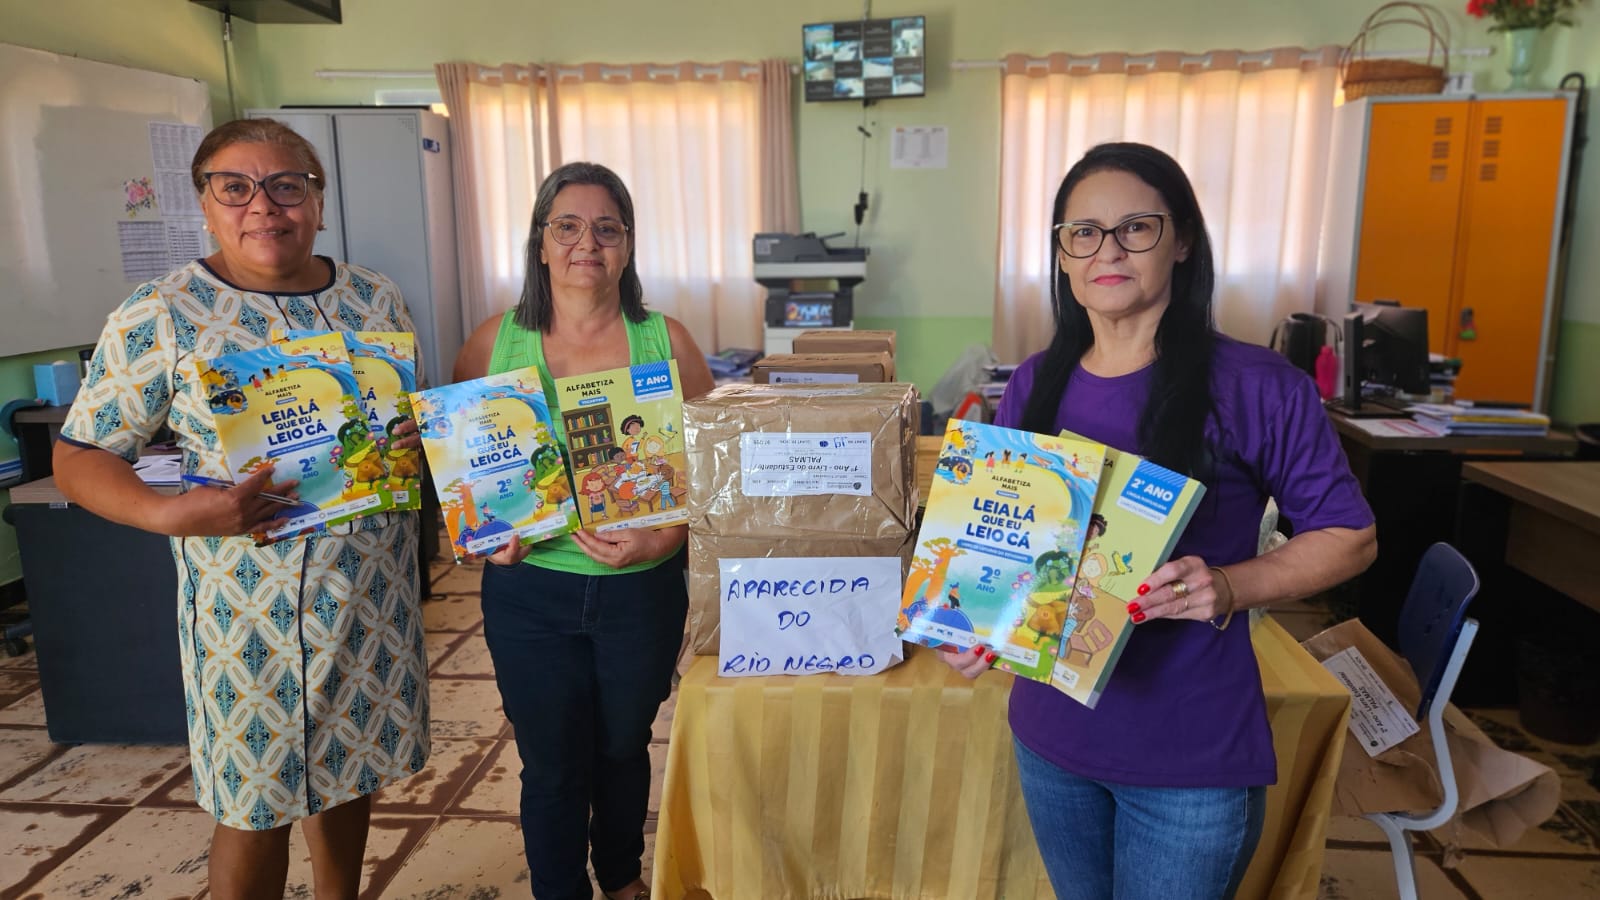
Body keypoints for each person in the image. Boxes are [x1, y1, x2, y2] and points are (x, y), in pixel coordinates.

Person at [941, 142, 1377, 900]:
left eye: (1135, 228)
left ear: (1181, 243)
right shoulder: (1035, 383)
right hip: (1051, 738)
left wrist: (1229, 585)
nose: (1107, 250)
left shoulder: (1256, 385)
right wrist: (976, 621)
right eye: (1083, 232)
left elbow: (1350, 537)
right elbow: (1006, 552)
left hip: (1188, 758)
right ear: (1062, 256)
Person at [51, 118, 430, 900]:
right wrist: (168, 514)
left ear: (318, 201)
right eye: (235, 187)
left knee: (352, 768)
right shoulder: (165, 311)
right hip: (250, 616)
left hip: (372, 596)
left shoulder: (373, 296)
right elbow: (80, 455)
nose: (263, 205)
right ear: (206, 203)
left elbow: (398, 421)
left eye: (286, 185)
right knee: (254, 801)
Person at [453, 161, 715, 900]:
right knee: (553, 764)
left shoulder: (666, 341)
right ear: (540, 243)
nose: (586, 243)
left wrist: (665, 539)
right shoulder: (492, 342)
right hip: (531, 592)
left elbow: (714, 471)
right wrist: (485, 534)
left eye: (607, 228)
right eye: (566, 226)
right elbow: (464, 469)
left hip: (642, 593)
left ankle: (622, 876)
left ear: (628, 246)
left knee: (624, 749)